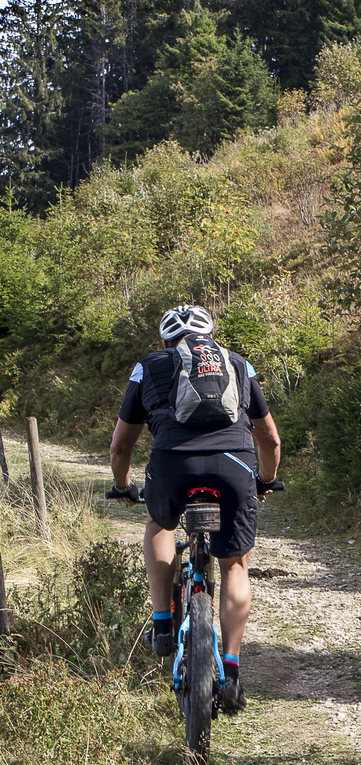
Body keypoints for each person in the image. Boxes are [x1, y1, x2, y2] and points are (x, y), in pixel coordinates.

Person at [109, 304, 281, 713]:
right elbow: (270, 439)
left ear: (165, 341)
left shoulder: (148, 367)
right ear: (212, 336)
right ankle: (233, 670)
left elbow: (120, 445)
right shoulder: (239, 365)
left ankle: (163, 624)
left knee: (158, 523)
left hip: (173, 465)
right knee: (235, 563)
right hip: (234, 465)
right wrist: (266, 481)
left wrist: (123, 486)